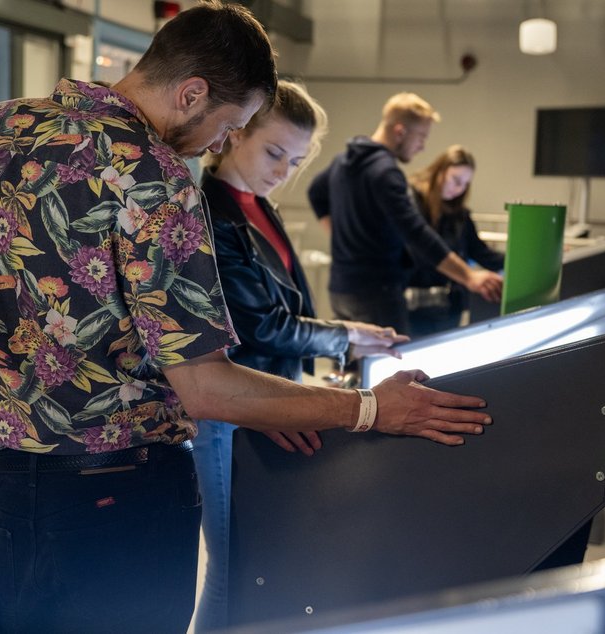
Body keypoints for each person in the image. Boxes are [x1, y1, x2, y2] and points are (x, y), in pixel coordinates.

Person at [0, 3, 491, 632]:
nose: (221, 143)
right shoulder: (153, 176)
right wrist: (371, 408)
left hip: (0, 486)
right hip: (118, 503)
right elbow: (204, 384)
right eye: (228, 124)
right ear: (192, 93)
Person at [193, 80, 405, 631]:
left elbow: (285, 303)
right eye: (273, 153)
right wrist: (344, 336)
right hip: (230, 408)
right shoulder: (212, 214)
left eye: (294, 160)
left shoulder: (257, 205)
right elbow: (260, 324)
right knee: (233, 565)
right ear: (234, 135)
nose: (284, 171)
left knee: (256, 557)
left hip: (267, 399)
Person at [307, 92, 502, 333]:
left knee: (354, 365)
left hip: (341, 289)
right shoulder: (386, 172)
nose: (422, 146)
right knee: (392, 367)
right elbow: (417, 233)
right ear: (400, 131)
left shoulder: (343, 161)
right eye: (421, 136)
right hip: (378, 293)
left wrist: (340, 238)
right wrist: (470, 277)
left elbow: (316, 193)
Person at [405, 145, 504, 336]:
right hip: (413, 307)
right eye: (456, 180)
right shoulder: (411, 203)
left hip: (450, 308)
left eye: (466, 184)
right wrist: (469, 276)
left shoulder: (460, 215)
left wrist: (525, 263)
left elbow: (481, 252)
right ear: (440, 171)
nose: (459, 189)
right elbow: (420, 251)